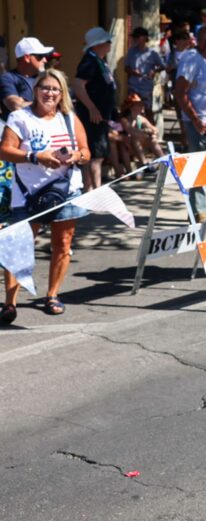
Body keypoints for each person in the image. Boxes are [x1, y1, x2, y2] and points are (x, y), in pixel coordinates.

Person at [0, 69, 90, 323]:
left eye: (55, 89)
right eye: (45, 88)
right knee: (18, 246)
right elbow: (4, 151)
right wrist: (34, 156)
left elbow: (86, 152)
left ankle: (52, 294)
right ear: (35, 91)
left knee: (62, 245)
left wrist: (76, 156)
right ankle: (10, 303)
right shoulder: (20, 117)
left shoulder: (69, 118)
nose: (50, 93)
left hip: (66, 191)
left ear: (62, 94)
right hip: (29, 194)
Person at [174, 24, 206, 222]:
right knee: (197, 167)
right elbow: (180, 92)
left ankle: (203, 208)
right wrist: (195, 119)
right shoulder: (191, 59)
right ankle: (197, 211)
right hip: (199, 123)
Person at [71, 27, 118, 190]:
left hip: (100, 116)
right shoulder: (89, 61)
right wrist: (92, 108)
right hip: (92, 117)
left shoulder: (99, 60)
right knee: (94, 155)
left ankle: (93, 189)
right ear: (97, 44)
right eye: (107, 41)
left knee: (98, 154)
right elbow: (77, 85)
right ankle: (93, 190)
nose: (110, 44)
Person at [1, 37, 53, 116]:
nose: (45, 60)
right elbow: (16, 106)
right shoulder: (8, 78)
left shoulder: (43, 77)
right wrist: (50, 105)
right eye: (41, 56)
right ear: (27, 58)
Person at [124, 27, 165, 121]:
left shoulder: (152, 53)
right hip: (133, 86)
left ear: (144, 38)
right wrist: (132, 72)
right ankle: (133, 131)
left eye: (137, 37)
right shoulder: (131, 52)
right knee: (132, 110)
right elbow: (126, 68)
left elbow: (163, 66)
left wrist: (154, 71)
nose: (135, 40)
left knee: (148, 110)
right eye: (135, 37)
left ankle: (152, 131)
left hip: (146, 87)